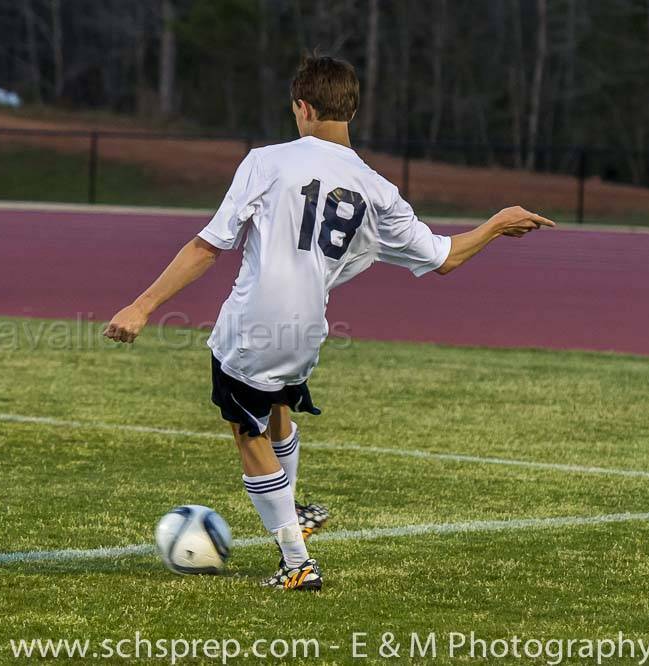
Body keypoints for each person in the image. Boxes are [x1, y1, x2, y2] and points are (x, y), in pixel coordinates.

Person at [103, 53, 554, 591]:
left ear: (303, 106)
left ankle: (296, 561)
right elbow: (444, 257)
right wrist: (496, 224)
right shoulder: (375, 187)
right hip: (307, 330)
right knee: (274, 410)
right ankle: (297, 516)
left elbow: (208, 247)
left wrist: (142, 306)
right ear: (352, 110)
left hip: (254, 323)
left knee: (246, 432)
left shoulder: (266, 161)